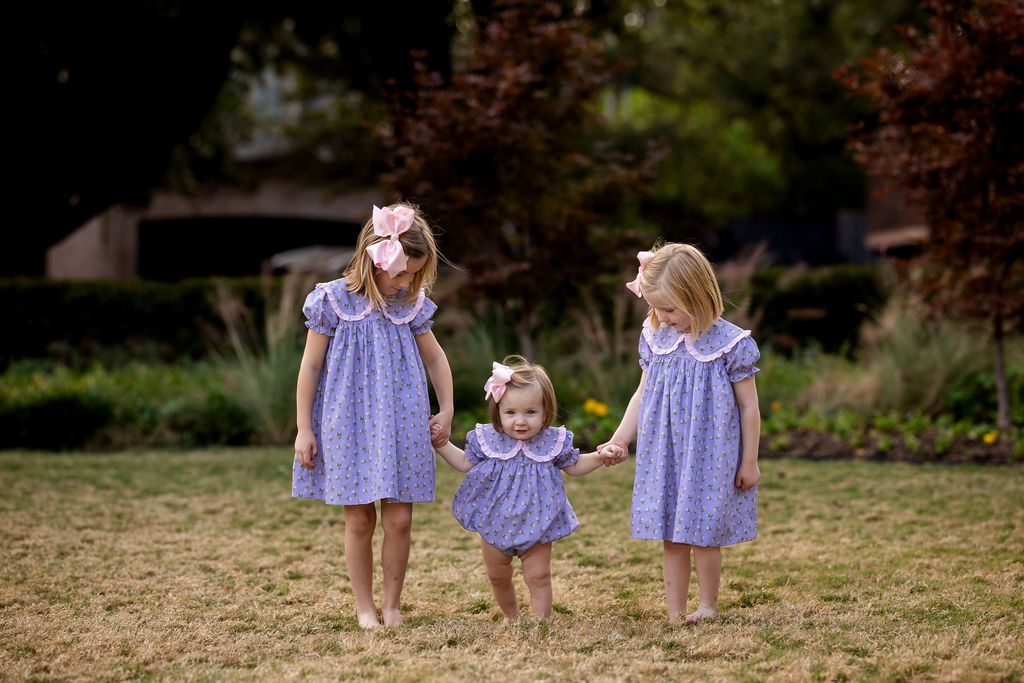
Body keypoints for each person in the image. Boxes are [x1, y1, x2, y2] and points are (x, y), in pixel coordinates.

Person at [292, 203, 454, 629]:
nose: (406, 283)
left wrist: (447, 408)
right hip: (350, 425)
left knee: (399, 519)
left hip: (402, 423)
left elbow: (436, 359)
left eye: (414, 275)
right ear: (372, 259)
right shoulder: (331, 301)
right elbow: (309, 366)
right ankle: (364, 607)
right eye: (400, 273)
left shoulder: (411, 306)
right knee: (360, 517)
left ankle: (393, 605)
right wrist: (304, 428)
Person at [601, 242, 761, 624]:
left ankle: (707, 606)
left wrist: (750, 461)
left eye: (671, 308)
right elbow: (643, 393)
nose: (663, 316)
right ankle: (675, 612)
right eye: (656, 307)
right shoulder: (656, 338)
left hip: (710, 453)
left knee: (704, 531)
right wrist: (621, 438)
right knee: (670, 533)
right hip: (665, 450)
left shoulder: (730, 344)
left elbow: (748, 407)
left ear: (699, 296)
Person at [434, 356, 613, 619]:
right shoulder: (488, 440)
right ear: (498, 411)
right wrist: (440, 443)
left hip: (538, 520)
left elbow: (574, 466)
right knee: (497, 575)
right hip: (495, 519)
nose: (520, 421)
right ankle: (511, 616)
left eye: (530, 412)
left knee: (539, 575)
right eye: (511, 413)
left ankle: (542, 622)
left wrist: (600, 457)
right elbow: (462, 462)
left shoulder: (552, 442)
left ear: (546, 412)